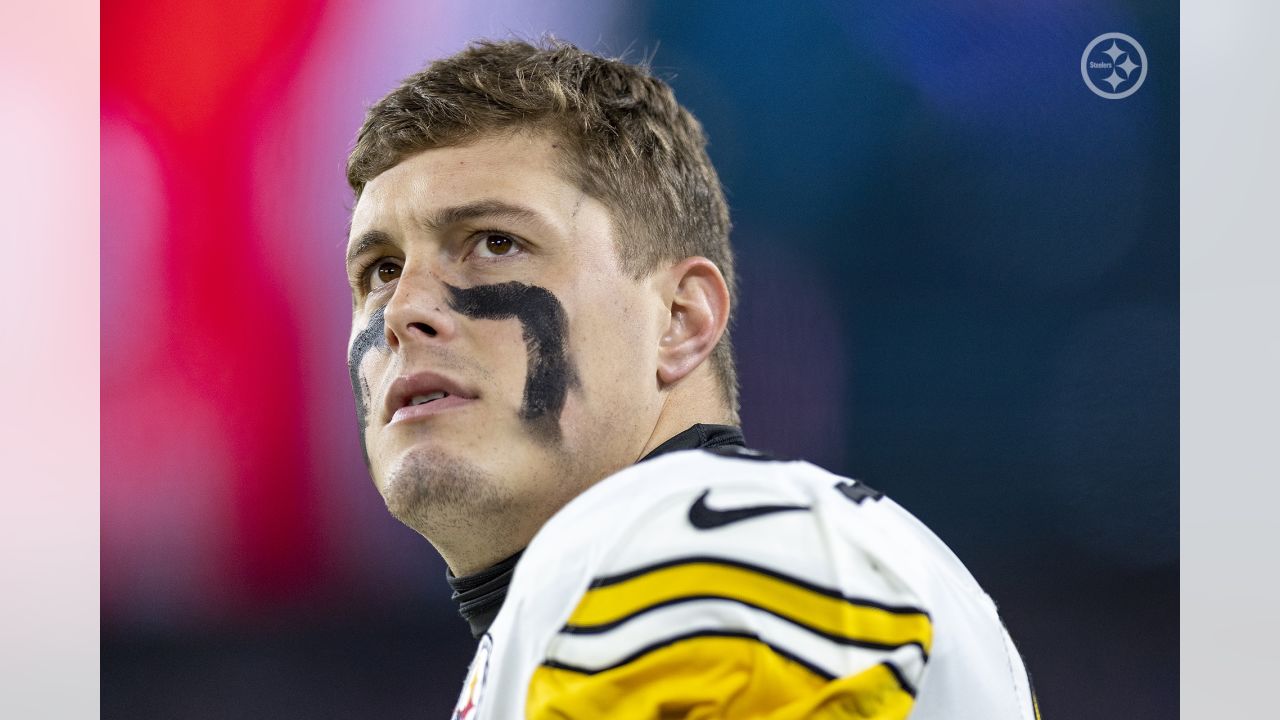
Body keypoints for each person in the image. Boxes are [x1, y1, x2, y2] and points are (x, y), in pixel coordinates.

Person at [343, 38, 1040, 720]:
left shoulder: (700, 541)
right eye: (381, 269)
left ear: (679, 319)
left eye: (495, 243)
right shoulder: (695, 557)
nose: (403, 311)